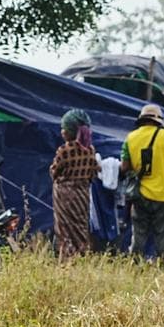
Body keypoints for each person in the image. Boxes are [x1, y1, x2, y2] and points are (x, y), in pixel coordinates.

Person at [120, 103, 164, 260]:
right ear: (158, 120)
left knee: (139, 235)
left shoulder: (130, 138)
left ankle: (134, 267)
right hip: (161, 195)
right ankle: (163, 267)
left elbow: (124, 167)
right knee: (162, 236)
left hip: (139, 194)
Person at [50, 109, 100, 262]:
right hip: (83, 193)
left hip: (65, 194)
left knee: (64, 228)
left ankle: (66, 259)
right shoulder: (90, 150)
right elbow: (94, 173)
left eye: (64, 128)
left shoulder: (64, 150)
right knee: (79, 226)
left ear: (70, 132)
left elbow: (54, 171)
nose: (62, 131)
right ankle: (82, 256)